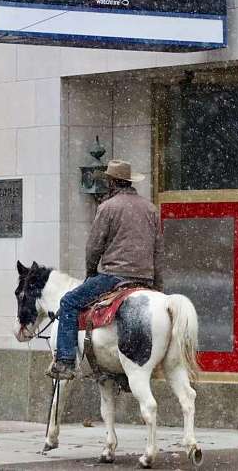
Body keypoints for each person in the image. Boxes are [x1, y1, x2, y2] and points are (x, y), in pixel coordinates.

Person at [48, 160, 164, 380]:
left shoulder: (108, 207)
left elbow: (94, 246)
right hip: (145, 279)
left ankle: (65, 361)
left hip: (115, 277)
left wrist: (91, 271)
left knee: (69, 302)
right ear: (129, 182)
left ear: (112, 182)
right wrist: (157, 286)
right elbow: (159, 251)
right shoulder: (150, 209)